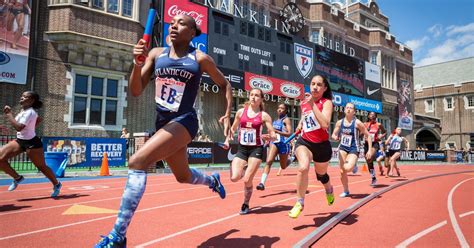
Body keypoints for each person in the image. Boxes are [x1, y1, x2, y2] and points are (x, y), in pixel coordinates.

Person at [95, 14, 232, 247]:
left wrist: (228, 113)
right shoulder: (156, 54)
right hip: (163, 124)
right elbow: (136, 90)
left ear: (192, 32)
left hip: (185, 121)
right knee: (183, 176)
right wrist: (137, 64)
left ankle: (118, 236)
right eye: (173, 23)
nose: (174, 25)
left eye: (182, 23)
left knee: (137, 162)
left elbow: (225, 84)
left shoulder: (200, 58)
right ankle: (212, 182)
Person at [288, 75, 335, 219]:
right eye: (313, 84)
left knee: (321, 176)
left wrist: (312, 105)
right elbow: (305, 116)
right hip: (305, 142)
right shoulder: (304, 103)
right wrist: (301, 123)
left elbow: (325, 124)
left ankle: (329, 188)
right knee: (303, 167)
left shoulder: (327, 103)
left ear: (324, 88)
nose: (315, 87)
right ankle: (299, 202)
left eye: (319, 85)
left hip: (321, 146)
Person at [0, 91, 62, 197]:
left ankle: (57, 184)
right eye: (22, 96)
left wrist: (9, 114)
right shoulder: (23, 111)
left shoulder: (30, 112)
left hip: (32, 143)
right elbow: (37, 121)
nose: (22, 97)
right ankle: (17, 178)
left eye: (25, 97)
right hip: (20, 141)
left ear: (31, 100)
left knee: (41, 166)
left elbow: (19, 127)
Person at [227, 88, 276, 214]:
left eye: (257, 95)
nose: (253, 97)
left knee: (247, 180)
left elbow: (272, 133)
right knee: (234, 178)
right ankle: (240, 168)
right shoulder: (240, 112)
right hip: (242, 148)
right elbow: (232, 129)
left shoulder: (264, 116)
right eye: (252, 95)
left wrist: (271, 136)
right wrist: (228, 139)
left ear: (261, 99)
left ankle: (245, 203)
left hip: (256, 149)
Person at [331, 102, 373, 198]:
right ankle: (346, 191)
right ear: (345, 109)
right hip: (342, 147)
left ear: (354, 111)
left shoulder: (357, 123)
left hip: (354, 148)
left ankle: (353, 166)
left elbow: (368, 136)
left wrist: (370, 150)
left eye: (351, 108)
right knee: (342, 171)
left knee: (347, 168)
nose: (349, 109)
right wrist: (335, 137)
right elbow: (333, 134)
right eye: (347, 107)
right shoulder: (339, 122)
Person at [256, 103, 292, 191]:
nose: (279, 109)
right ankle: (262, 183)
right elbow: (272, 132)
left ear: (286, 110)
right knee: (269, 161)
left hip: (284, 143)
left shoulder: (286, 120)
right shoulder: (275, 120)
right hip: (275, 142)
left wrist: (277, 131)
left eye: (282, 108)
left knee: (283, 166)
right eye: (278, 108)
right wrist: (269, 136)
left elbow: (289, 133)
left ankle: (291, 159)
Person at [363, 111, 387, 185]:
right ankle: (373, 177)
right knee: (368, 161)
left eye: (373, 115)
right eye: (370, 114)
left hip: (374, 144)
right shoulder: (365, 124)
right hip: (366, 144)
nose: (372, 116)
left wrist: (381, 136)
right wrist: (362, 135)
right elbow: (360, 132)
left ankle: (374, 176)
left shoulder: (378, 124)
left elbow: (384, 132)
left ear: (376, 116)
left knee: (369, 157)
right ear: (368, 116)